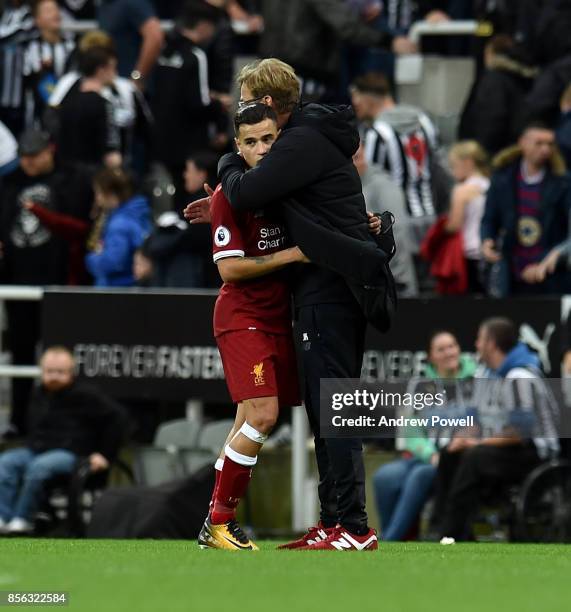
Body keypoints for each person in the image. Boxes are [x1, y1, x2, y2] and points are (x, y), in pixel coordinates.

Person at [186, 58, 391, 551]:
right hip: (319, 289)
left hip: (331, 287)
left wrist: (226, 166)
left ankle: (354, 528)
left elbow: (252, 186)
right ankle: (332, 521)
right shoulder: (304, 141)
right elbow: (273, 199)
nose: (247, 120)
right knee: (322, 413)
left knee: (334, 408)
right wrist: (218, 201)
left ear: (270, 106)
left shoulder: (297, 141)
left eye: (249, 107)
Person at [198, 103, 306, 551]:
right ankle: (221, 522)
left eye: (269, 139)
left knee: (247, 417)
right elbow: (230, 270)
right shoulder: (231, 195)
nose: (261, 149)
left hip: (278, 316)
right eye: (252, 142)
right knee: (263, 414)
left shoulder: (290, 188)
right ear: (238, 148)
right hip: (243, 316)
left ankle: (213, 523)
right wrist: (296, 254)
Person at [0, 129, 92, 435]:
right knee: (22, 352)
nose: (28, 163)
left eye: (34, 156)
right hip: (18, 281)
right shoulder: (10, 184)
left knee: (59, 356)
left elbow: (79, 229)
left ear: (49, 150)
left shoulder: (71, 180)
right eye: (24, 157)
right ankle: (19, 420)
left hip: (58, 283)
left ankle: (60, 423)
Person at [435, 317, 559, 543]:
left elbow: (519, 433)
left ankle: (452, 533)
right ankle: (441, 527)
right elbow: (474, 419)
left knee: (475, 457)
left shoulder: (520, 376)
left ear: (491, 344)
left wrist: (478, 443)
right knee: (450, 453)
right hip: (496, 448)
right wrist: (462, 438)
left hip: (534, 454)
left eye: (480, 339)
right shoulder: (484, 374)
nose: (476, 345)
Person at [0, 346, 126, 535]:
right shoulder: (38, 394)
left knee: (40, 466)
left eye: (60, 372)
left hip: (73, 454)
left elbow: (118, 419)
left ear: (70, 373)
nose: (54, 376)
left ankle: (22, 519)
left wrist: (104, 454)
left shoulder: (87, 395)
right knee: (6, 462)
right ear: (42, 371)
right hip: (37, 450)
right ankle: (3, 517)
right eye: (50, 371)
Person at [373, 330, 476, 541]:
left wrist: (445, 455)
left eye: (452, 346)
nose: (449, 352)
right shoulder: (419, 386)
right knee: (384, 477)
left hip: (457, 460)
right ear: (431, 357)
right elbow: (411, 430)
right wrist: (431, 455)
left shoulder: (476, 381)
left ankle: (389, 540)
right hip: (425, 457)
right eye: (441, 349)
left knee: (419, 476)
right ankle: (398, 537)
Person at [481, 122, 571, 296]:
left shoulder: (563, 182)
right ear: (523, 142)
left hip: (549, 272)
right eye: (539, 143)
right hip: (511, 272)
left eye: (550, 144)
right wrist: (486, 241)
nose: (545, 149)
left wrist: (554, 256)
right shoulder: (503, 179)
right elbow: (489, 219)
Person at [152, 0, 227, 190]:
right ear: (203, 26)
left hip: (163, 139)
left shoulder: (165, 52)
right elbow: (198, 103)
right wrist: (219, 105)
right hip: (190, 144)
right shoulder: (196, 56)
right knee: (194, 196)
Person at [352, 141, 417, 296]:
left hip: (393, 282)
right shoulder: (351, 185)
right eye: (349, 158)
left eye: (358, 157)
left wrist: (398, 277)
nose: (354, 163)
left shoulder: (383, 185)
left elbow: (398, 231)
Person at [458, 35, 538, 156]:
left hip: (490, 154)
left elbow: (492, 120)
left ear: (491, 53)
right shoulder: (522, 78)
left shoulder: (494, 80)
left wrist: (481, 154)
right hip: (511, 151)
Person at [56, 45, 122, 171]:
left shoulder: (68, 101)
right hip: (95, 174)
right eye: (113, 68)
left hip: (67, 173)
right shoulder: (104, 104)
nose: (115, 74)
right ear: (101, 70)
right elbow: (111, 150)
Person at [85, 167, 152, 287]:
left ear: (110, 193)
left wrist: (92, 259)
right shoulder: (137, 215)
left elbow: (113, 262)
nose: (97, 199)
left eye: (99, 192)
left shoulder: (120, 225)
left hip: (116, 292)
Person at [444, 141, 491, 294]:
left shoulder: (462, 190)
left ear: (468, 162)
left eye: (454, 165)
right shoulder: (491, 184)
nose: (452, 172)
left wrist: (441, 228)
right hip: (488, 247)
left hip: (469, 250)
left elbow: (454, 225)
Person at [21, 0, 76, 128]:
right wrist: (43, 72)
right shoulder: (30, 49)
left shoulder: (71, 46)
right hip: (39, 117)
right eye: (48, 11)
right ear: (37, 20)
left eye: (56, 9)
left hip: (68, 114)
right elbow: (29, 84)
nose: (55, 14)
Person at [97, 0, 164, 84]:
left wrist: (137, 77)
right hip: (114, 83)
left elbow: (155, 37)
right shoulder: (104, 5)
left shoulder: (133, 3)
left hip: (132, 85)